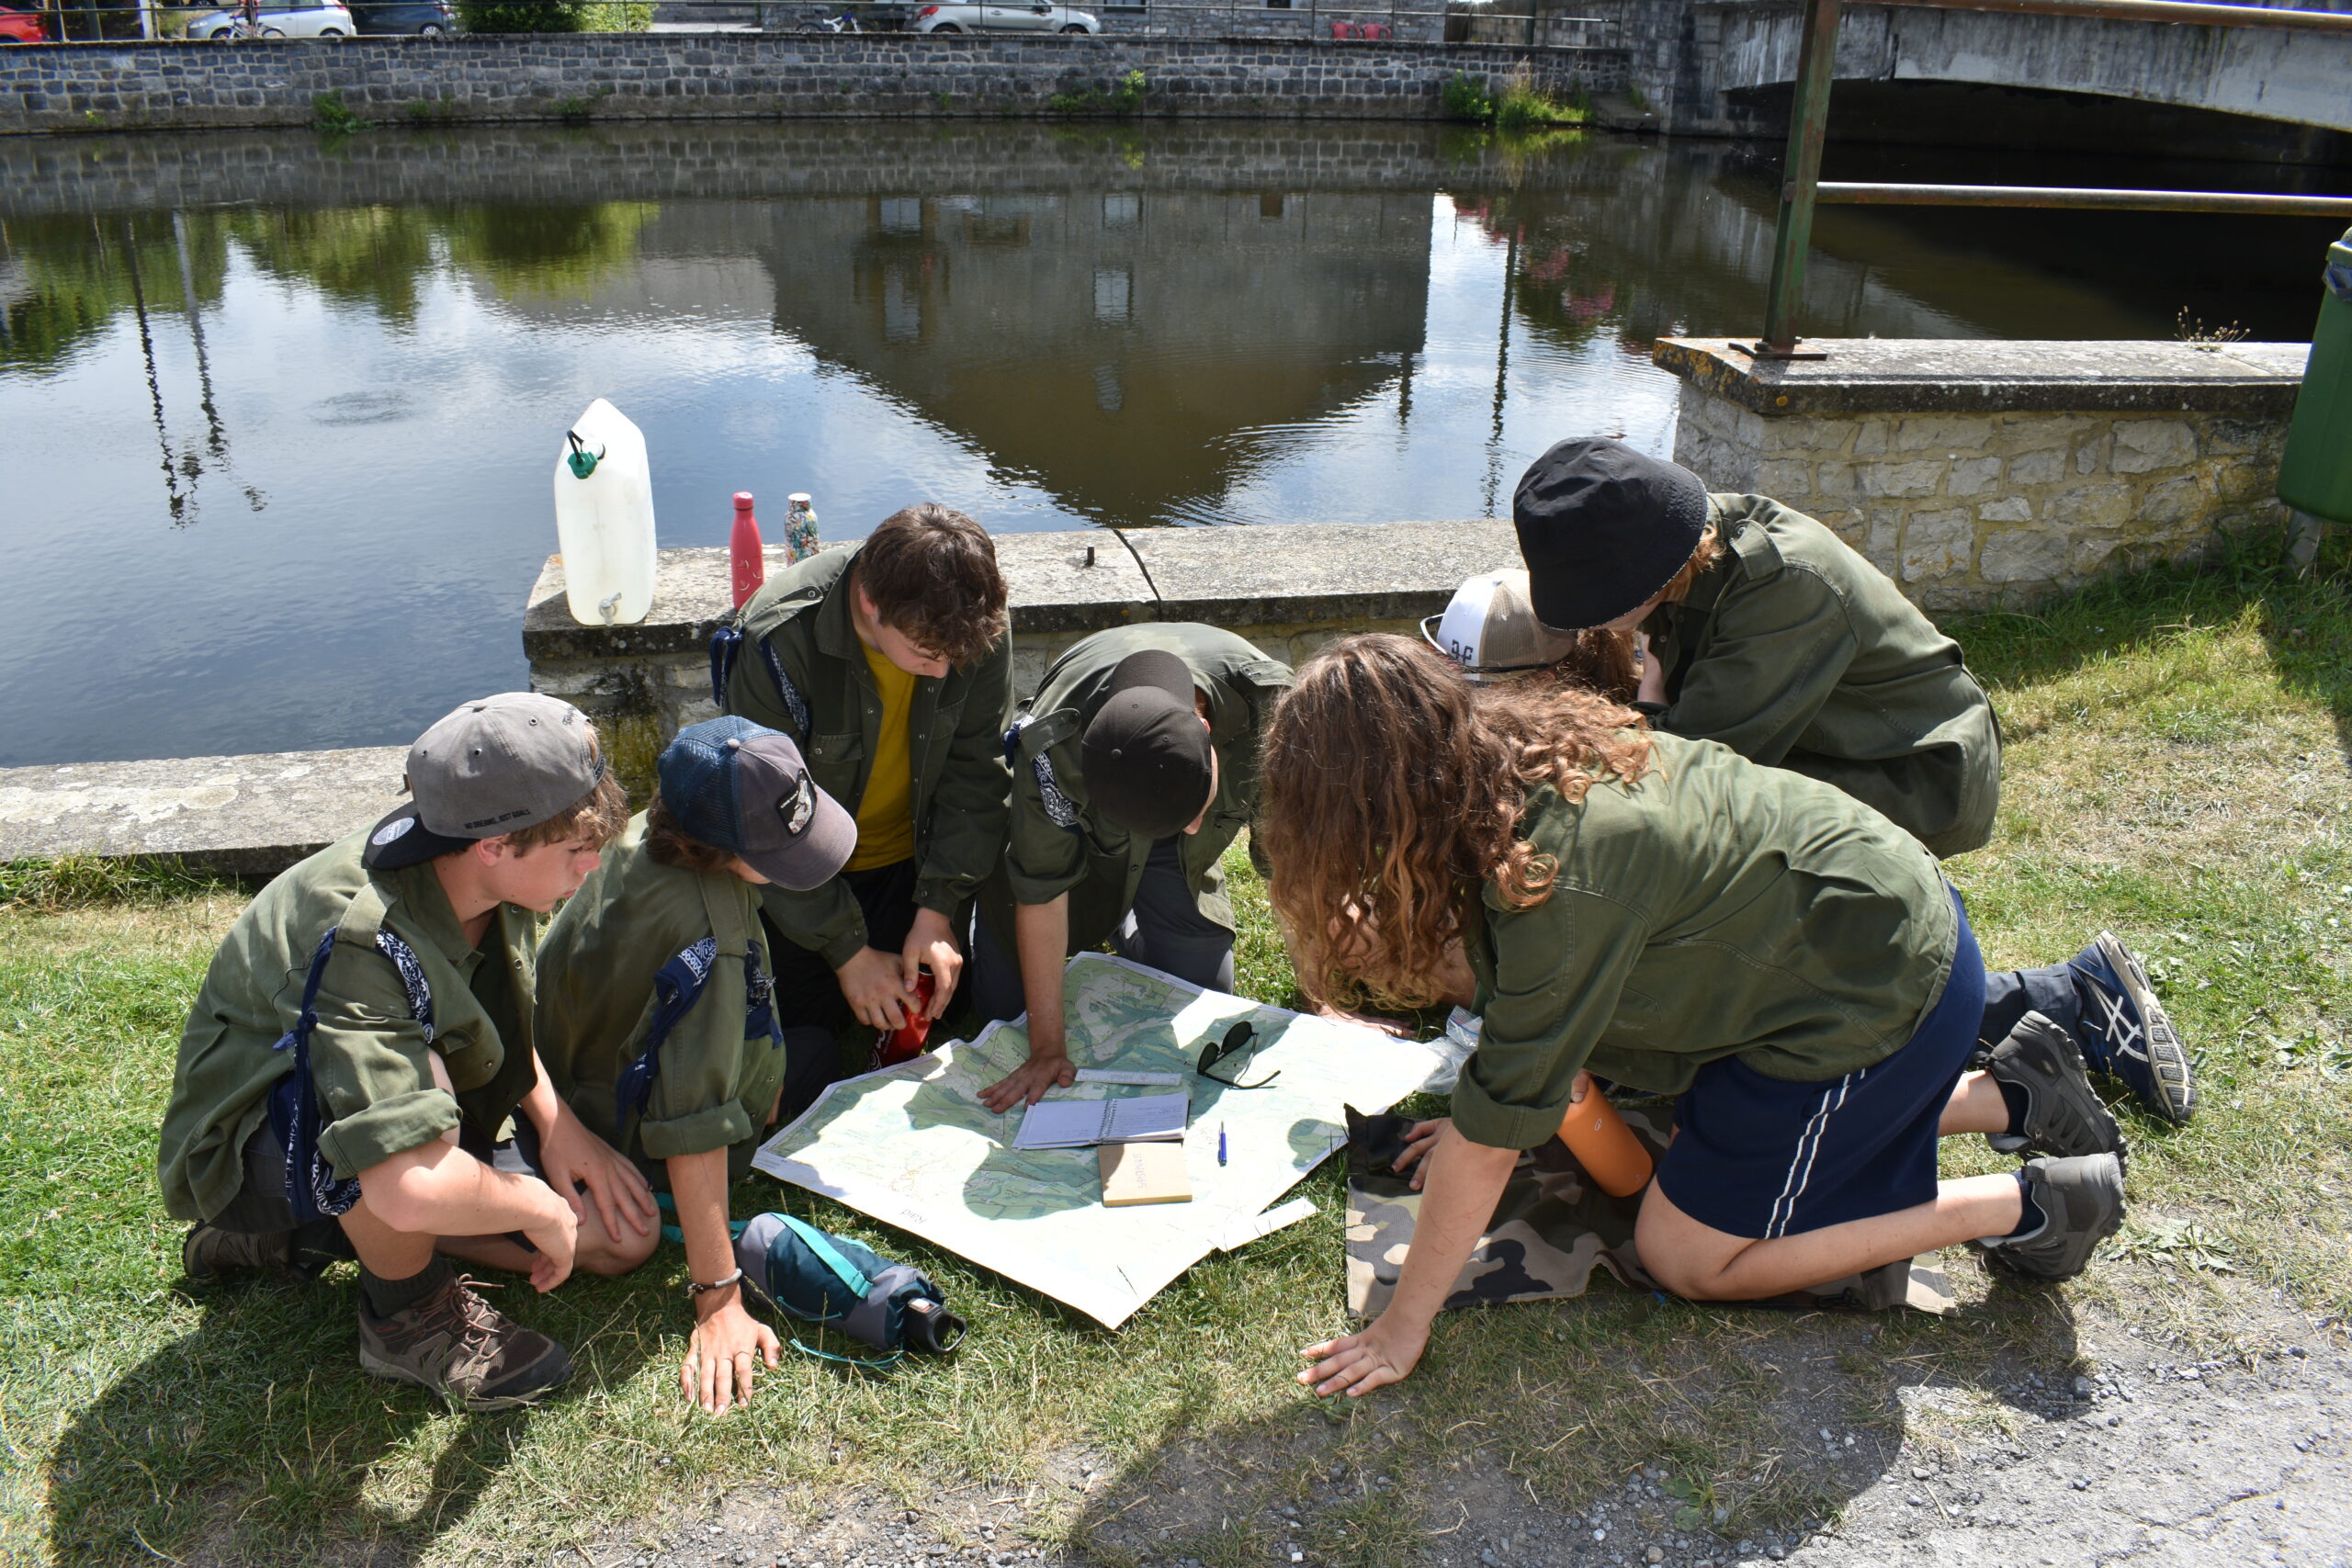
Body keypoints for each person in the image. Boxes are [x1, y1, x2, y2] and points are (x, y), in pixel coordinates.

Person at [1256, 637, 2188, 1399]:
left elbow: (1495, 1133)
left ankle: (2035, 1204)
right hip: (1852, 937)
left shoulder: (1560, 881)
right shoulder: (1496, 751)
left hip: (1872, 998)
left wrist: (1400, 1324)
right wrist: (1482, 1111)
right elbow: (1503, 1023)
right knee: (1679, 1134)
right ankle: (2007, 1094)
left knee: (1686, 1253)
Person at [160, 694, 655, 1412]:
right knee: (406, 1157)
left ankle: (312, 1235)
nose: (591, 867)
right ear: (495, 844)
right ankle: (405, 1316)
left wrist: (558, 1124)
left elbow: (492, 1014)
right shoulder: (366, 937)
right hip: (251, 1135)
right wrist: (538, 1206)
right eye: (578, 852)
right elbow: (408, 1179)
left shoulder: (490, 860)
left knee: (616, 1239)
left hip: (424, 1104)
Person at [536, 717, 858, 1415]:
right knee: (820, 1054)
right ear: (716, 849)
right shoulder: (715, 943)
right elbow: (692, 1125)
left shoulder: (632, 836)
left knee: (804, 1049)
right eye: (778, 848)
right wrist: (719, 1296)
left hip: (575, 1085)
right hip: (633, 1145)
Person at [1512, 435, 2003, 860]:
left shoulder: (1784, 585)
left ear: (1643, 579)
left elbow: (1691, 768)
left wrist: (1645, 703)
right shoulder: (1674, 539)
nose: (1586, 619)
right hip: (1818, 741)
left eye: (1593, 598)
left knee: (1675, 822)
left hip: (1911, 773)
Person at [714, 502, 1012, 1042]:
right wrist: (845, 949)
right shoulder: (777, 641)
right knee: (803, 1035)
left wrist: (938, 908)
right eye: (926, 654)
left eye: (956, 658)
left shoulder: (970, 623)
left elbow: (978, 773)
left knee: (941, 1004)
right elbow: (760, 814)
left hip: (913, 862)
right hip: (800, 872)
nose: (944, 671)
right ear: (870, 602)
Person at [969, 626, 1294, 1111]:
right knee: (1003, 1015)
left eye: (1198, 812)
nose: (1195, 828)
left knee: (1204, 990)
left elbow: (1293, 868)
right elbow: (1041, 888)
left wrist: (1323, 994)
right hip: (1087, 840)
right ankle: (997, 917)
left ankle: (1127, 912)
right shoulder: (1053, 746)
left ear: (1209, 737)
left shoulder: (1278, 714)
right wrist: (1047, 1050)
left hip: (1169, 852)